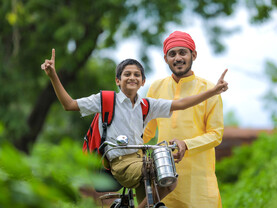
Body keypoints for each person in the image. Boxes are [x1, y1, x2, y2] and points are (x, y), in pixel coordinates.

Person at [41, 48, 228, 208]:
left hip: (140, 160)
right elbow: (69, 104)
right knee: (155, 170)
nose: (132, 77)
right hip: (120, 162)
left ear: (143, 82)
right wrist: (53, 76)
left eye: (136, 75)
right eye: (127, 74)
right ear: (117, 80)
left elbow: (182, 103)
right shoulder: (106, 100)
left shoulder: (147, 105)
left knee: (170, 180)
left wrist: (212, 91)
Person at [143, 31, 225, 208]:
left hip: (198, 183)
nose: (178, 58)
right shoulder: (156, 88)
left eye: (183, 52)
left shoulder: (209, 90)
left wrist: (186, 144)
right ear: (166, 58)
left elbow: (216, 135)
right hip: (164, 177)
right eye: (172, 54)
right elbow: (147, 131)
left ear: (193, 55)